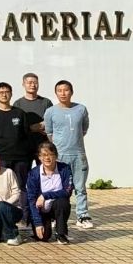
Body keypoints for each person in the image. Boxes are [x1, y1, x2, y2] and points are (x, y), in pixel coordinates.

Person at [44, 80, 93, 229]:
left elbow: (84, 129)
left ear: (71, 92)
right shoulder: (50, 112)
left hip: (78, 154)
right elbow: (49, 133)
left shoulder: (81, 109)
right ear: (56, 93)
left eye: (66, 90)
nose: (63, 93)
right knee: (58, 187)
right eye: (59, 90)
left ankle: (82, 216)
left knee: (80, 187)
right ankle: (56, 216)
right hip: (60, 156)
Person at [0, 82, 33, 214]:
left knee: (21, 187)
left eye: (7, 92)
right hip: (1, 157)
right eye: (1, 92)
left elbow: (26, 134)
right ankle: (2, 213)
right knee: (3, 186)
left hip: (20, 158)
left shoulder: (20, 113)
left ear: (11, 94)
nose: (4, 95)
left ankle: (23, 217)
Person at [25, 142, 73, 244]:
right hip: (40, 209)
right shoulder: (34, 173)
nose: (47, 158)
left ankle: (61, 233)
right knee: (44, 237)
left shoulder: (65, 169)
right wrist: (38, 223)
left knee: (63, 202)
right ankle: (44, 224)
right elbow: (31, 199)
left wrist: (45, 195)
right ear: (39, 157)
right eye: (44, 155)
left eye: (50, 154)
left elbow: (67, 191)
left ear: (56, 156)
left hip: (56, 206)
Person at [13, 72, 52, 161]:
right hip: (24, 146)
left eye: (35, 82)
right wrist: (31, 128)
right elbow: (16, 125)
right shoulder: (18, 104)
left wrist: (43, 124)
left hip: (43, 145)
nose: (33, 85)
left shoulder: (46, 102)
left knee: (44, 168)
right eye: (29, 83)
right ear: (23, 84)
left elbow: (52, 120)